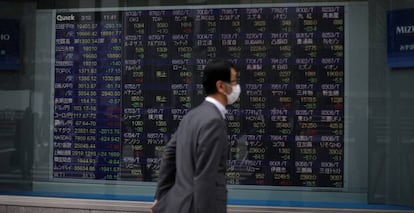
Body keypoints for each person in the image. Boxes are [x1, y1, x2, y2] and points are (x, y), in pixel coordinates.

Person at [151, 59, 241, 213]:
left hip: (178, 204)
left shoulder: (191, 115)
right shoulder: (214, 121)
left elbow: (169, 154)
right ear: (220, 86)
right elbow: (206, 177)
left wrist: (161, 196)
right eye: (233, 82)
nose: (237, 87)